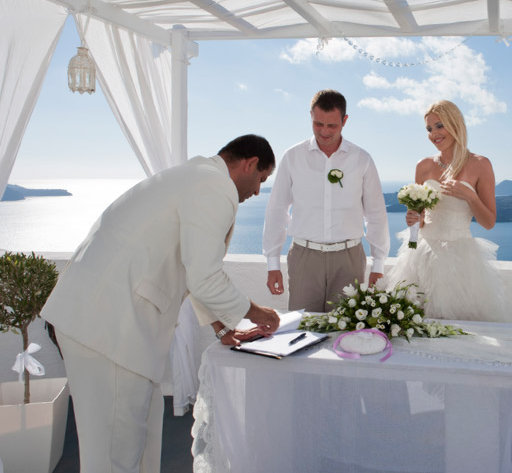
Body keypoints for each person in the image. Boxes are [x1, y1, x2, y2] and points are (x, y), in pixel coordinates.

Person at [40, 134, 282, 473]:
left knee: (140, 440)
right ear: (250, 163)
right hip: (109, 328)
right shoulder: (215, 186)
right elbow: (205, 277)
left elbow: (189, 267)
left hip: (107, 324)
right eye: (261, 180)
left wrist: (221, 326)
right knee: (114, 455)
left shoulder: (195, 176)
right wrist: (261, 314)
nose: (257, 191)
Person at [263, 89, 390, 311]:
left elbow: (376, 214)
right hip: (304, 257)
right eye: (318, 124)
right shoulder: (292, 156)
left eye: (332, 126)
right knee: (303, 331)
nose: (324, 131)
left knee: (346, 333)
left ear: (345, 121)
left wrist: (378, 264)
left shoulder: (362, 159)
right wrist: (272, 262)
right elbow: (277, 210)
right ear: (311, 116)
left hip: (349, 259)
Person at [388, 100, 507, 322]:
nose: (434, 134)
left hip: (460, 259)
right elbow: (420, 221)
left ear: (455, 125)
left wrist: (469, 195)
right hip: (421, 255)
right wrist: (414, 218)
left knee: (459, 326)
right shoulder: (423, 166)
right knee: (416, 323)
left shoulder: (480, 164)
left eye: (439, 126)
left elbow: (489, 222)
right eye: (429, 129)